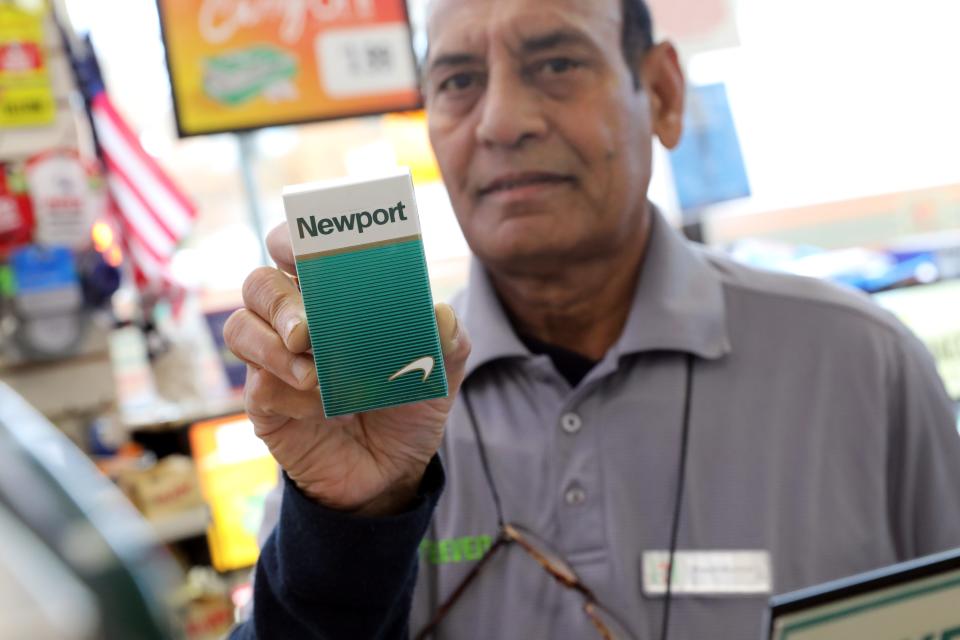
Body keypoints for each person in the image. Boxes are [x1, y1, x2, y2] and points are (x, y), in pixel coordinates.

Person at [224, 0, 960, 637]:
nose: (502, 122)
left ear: (664, 94)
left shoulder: (863, 367)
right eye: (458, 82)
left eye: (556, 64)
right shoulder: (366, 402)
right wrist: (354, 520)